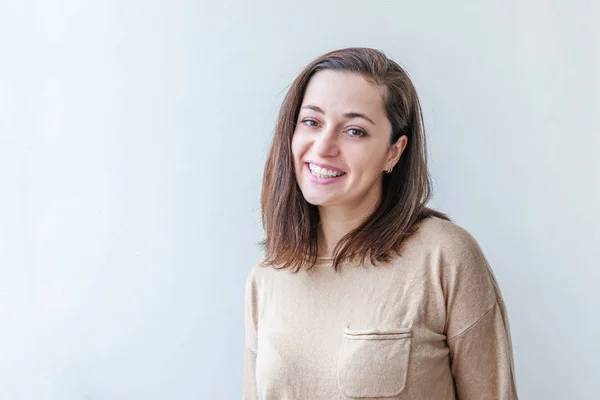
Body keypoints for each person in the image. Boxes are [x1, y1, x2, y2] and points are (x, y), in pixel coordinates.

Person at [243, 47, 518, 399]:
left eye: (354, 131)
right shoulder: (266, 277)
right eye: (311, 122)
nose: (324, 146)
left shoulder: (445, 258)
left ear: (394, 151)